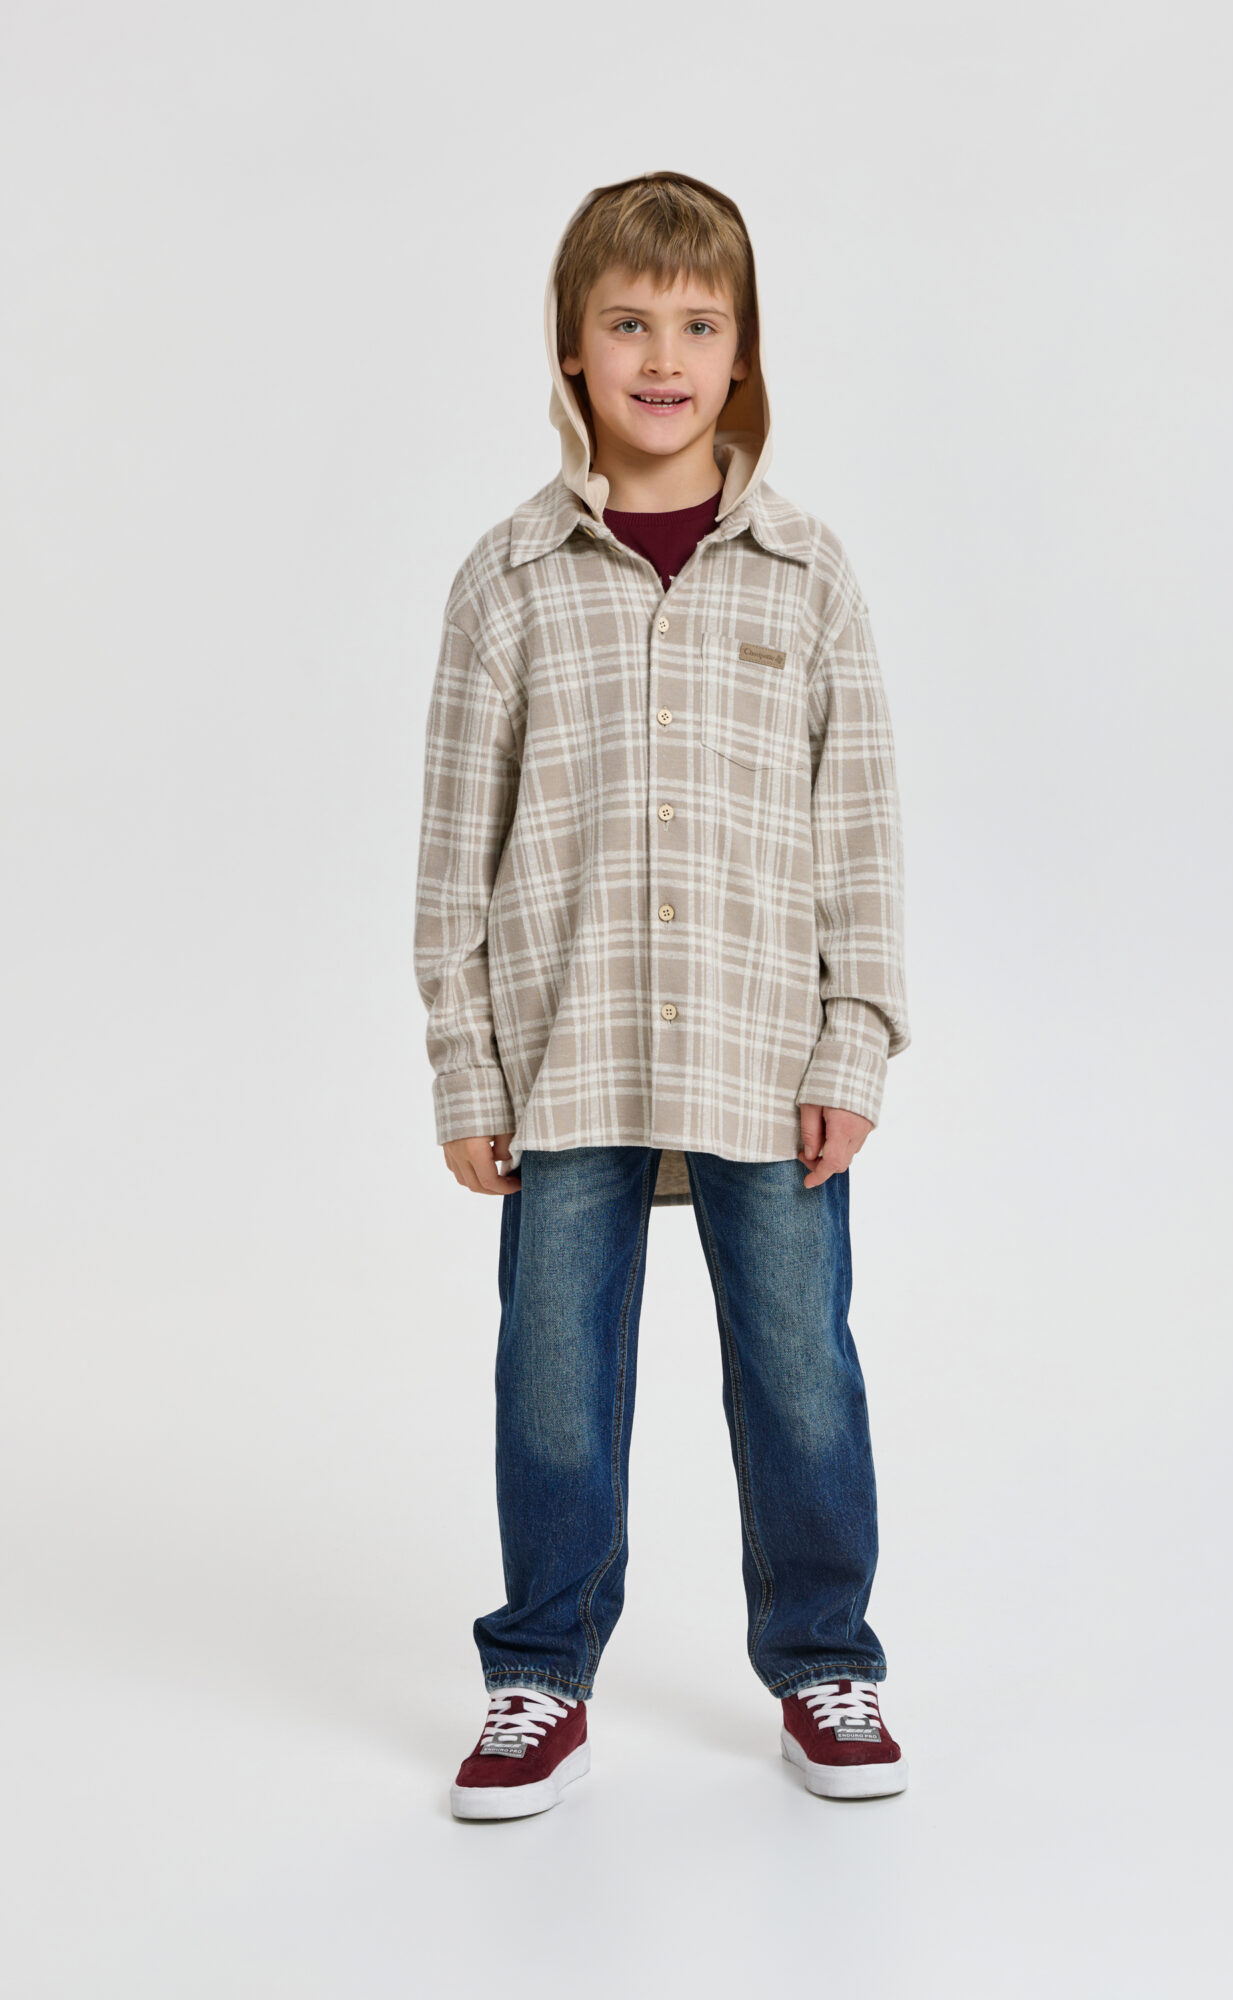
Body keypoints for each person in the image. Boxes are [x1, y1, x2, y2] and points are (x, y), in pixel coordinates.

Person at [413, 171, 911, 1819]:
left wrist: (854, 1041)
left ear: (742, 351)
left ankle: (823, 1653)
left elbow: (860, 831)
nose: (663, 356)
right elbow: (454, 847)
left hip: (768, 1056)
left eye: (698, 325)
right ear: (572, 346)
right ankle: (537, 1675)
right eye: (628, 322)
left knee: (800, 1374)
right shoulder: (508, 577)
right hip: (570, 1056)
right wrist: (465, 1066)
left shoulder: (806, 573)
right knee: (553, 1380)